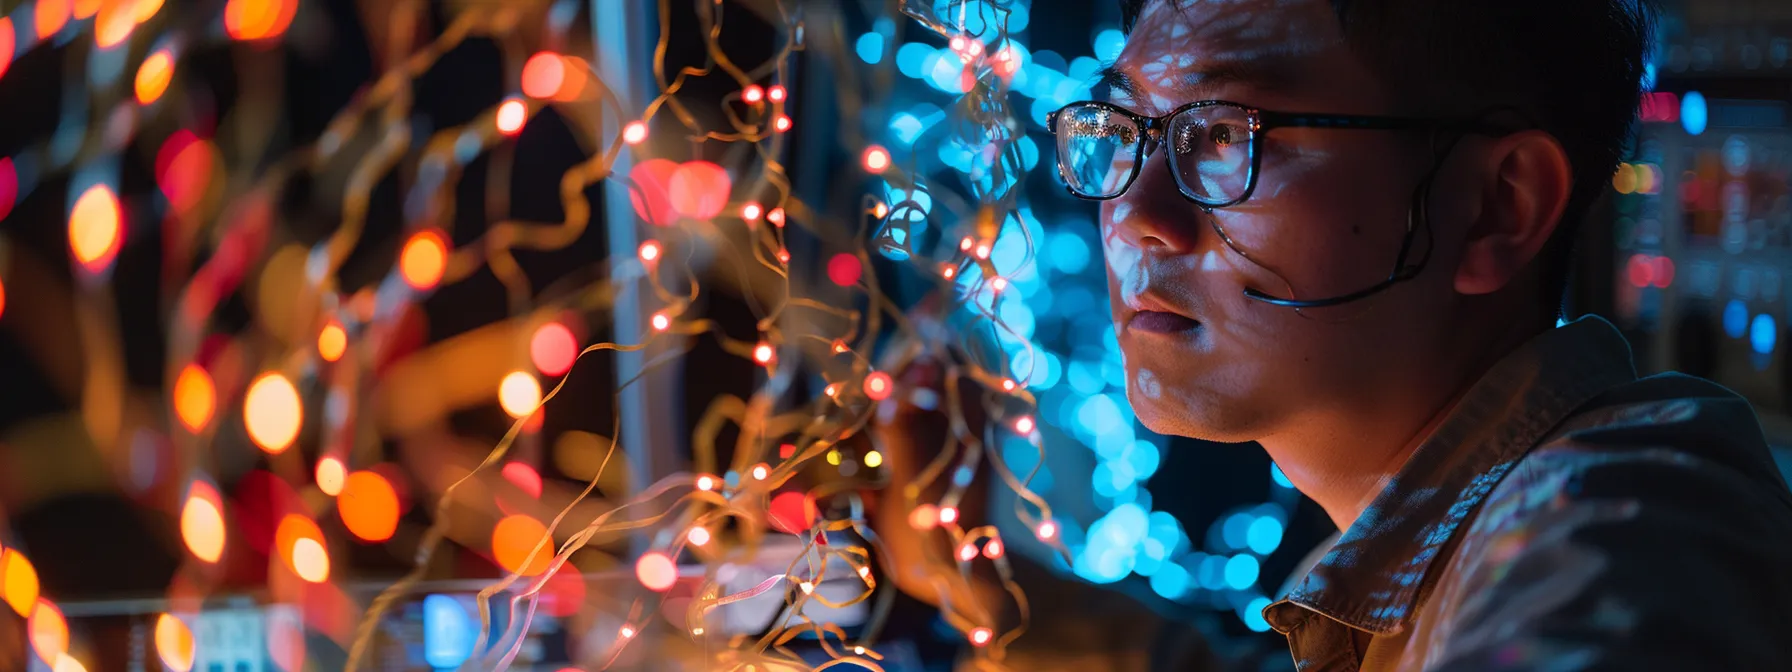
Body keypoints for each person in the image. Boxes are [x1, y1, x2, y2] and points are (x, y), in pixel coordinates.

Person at [880, 0, 1792, 670]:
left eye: (1225, 133)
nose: (1133, 213)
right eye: (1128, 129)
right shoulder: (1449, 553)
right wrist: (978, 584)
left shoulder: (1615, 536)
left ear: (1492, 209)